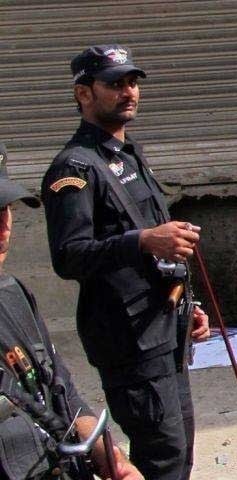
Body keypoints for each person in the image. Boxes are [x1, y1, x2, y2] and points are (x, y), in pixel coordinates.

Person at [41, 45, 210, 480]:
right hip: (128, 339)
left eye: (132, 82)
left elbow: (155, 242)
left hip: (163, 327)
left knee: (179, 452)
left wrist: (187, 306)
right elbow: (69, 256)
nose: (128, 92)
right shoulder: (74, 168)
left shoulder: (127, 154)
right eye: (115, 84)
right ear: (83, 93)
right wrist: (143, 241)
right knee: (161, 458)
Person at [0, 143, 142, 479]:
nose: (3, 227)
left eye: (5, 208)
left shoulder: (14, 295)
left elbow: (62, 392)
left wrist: (110, 457)